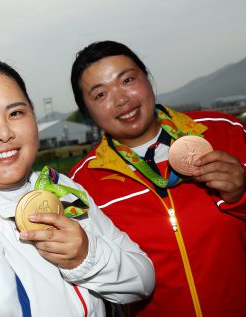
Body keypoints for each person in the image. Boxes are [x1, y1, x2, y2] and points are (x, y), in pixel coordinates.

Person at [0, 57, 155, 317]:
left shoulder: (63, 186)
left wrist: (86, 256)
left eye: (15, 113)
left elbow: (143, 279)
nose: (4, 133)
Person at [69, 40, 246, 316]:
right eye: (100, 95)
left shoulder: (225, 132)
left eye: (127, 80)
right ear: (87, 113)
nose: (121, 100)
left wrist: (241, 195)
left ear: (148, 80)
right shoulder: (82, 184)